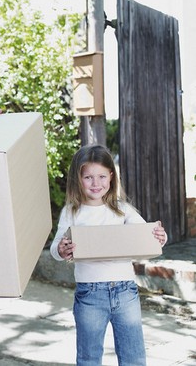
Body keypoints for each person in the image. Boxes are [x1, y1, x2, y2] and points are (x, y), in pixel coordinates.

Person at [50, 144, 167, 365]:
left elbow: (148, 235)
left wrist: (161, 236)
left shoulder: (122, 210)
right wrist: (61, 249)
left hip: (125, 291)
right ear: (78, 179)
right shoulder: (72, 212)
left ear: (111, 177)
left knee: (134, 355)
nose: (96, 183)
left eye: (102, 176)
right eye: (88, 177)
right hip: (89, 294)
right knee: (89, 357)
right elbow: (56, 247)